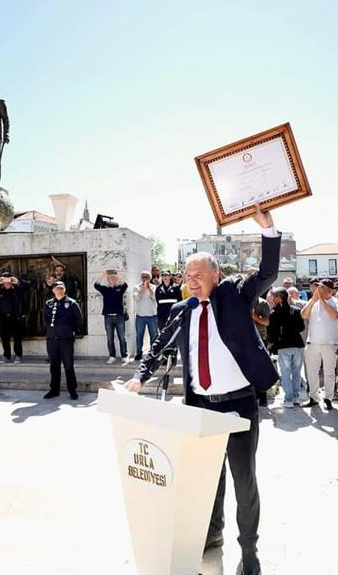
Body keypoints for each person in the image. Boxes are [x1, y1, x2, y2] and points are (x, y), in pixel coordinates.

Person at [126, 206, 280, 575]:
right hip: (200, 409)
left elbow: (267, 273)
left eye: (198, 275)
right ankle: (213, 536)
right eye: (186, 275)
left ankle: (250, 550)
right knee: (207, 480)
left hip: (239, 407)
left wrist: (269, 229)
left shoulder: (235, 294)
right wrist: (139, 376)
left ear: (216, 275)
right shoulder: (182, 309)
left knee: (245, 482)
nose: (191, 280)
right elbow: (159, 345)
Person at [301, 279, 338, 409]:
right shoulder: (313, 301)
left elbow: (335, 315)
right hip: (312, 342)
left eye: (321, 288)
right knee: (311, 372)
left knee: (329, 372)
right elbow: (303, 315)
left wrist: (322, 301)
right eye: (317, 287)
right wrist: (313, 300)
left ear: (330, 290)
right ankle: (313, 397)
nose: (317, 290)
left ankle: (328, 398)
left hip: (330, 343)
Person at [43, 281, 83, 400]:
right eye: (57, 288)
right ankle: (54, 390)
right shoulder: (48, 304)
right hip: (52, 339)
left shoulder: (71, 303)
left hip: (66, 339)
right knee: (54, 366)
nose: (59, 290)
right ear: (53, 290)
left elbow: (79, 319)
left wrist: (68, 329)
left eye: (61, 288)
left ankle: (72, 390)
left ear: (64, 290)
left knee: (68, 365)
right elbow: (45, 320)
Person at [268, 287, 305, 407]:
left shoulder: (274, 312)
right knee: (296, 372)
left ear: (279, 297)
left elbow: (272, 331)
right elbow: (301, 328)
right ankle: (296, 397)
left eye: (274, 296)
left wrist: (272, 343)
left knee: (285, 373)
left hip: (283, 346)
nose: (272, 298)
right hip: (297, 344)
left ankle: (288, 399)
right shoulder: (295, 310)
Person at [0, 272, 30, 364]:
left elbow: (27, 287)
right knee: (5, 338)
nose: (7, 282)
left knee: (17, 338)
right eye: (4, 279)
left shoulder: (18, 289)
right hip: (3, 318)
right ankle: (6, 356)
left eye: (8, 279)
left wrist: (17, 282)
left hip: (16, 317)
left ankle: (18, 355)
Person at [94, 269, 131, 364]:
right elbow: (96, 285)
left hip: (119, 317)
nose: (112, 279)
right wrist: (103, 274)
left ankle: (124, 356)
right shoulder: (105, 290)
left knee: (122, 338)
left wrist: (118, 274)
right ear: (107, 280)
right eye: (110, 278)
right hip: (108, 318)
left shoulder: (120, 288)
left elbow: (126, 284)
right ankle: (112, 356)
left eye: (114, 278)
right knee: (110, 338)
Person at [132, 270, 158, 361]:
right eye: (143, 277)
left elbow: (154, 297)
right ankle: (139, 353)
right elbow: (136, 297)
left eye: (147, 277)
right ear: (141, 278)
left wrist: (149, 288)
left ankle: (153, 353)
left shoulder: (154, 287)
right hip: (140, 316)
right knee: (139, 336)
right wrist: (143, 288)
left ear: (150, 278)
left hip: (152, 316)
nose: (145, 278)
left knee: (154, 336)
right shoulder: (136, 287)